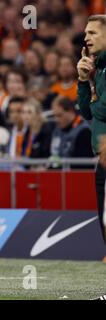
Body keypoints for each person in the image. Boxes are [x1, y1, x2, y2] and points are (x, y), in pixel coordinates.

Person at [77, 15, 106, 300]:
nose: (86, 38)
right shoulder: (100, 69)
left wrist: (95, 84)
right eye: (86, 33)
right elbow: (86, 112)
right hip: (102, 158)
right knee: (104, 223)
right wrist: (84, 81)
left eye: (93, 33)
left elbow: (101, 112)